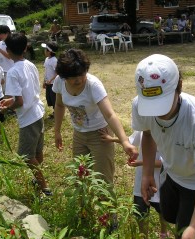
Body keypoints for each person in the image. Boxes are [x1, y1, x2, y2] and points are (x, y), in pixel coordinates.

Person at [132, 54, 195, 239]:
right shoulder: (139, 106)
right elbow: (148, 134)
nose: (157, 113)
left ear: (178, 87)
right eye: (152, 106)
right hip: (170, 172)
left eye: (162, 105)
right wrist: (148, 173)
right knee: (170, 216)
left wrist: (194, 228)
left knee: (186, 231)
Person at [52, 48, 137, 185]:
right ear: (64, 76)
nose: (79, 79)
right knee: (80, 176)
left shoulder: (93, 85)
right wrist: (57, 131)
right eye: (73, 77)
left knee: (103, 179)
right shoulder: (59, 82)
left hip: (100, 135)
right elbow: (59, 105)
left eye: (82, 74)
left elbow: (109, 114)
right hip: (78, 134)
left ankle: (106, 205)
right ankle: (86, 206)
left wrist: (124, 141)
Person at [0, 33, 51, 196]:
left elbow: (19, 102)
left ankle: (44, 187)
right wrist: (10, 102)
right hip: (37, 111)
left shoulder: (13, 72)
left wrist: (8, 107)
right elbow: (27, 92)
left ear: (7, 50)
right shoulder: (30, 64)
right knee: (36, 151)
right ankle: (38, 178)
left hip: (28, 117)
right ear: (25, 48)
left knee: (26, 156)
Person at [100, 129, 169, 239]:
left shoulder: (167, 134)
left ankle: (164, 232)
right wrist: (111, 139)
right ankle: (143, 235)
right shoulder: (144, 129)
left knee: (163, 211)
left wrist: (141, 162)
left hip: (160, 183)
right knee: (140, 211)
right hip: (141, 182)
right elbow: (129, 140)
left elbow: (165, 163)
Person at [0, 25, 14, 91]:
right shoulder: (0, 43)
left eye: (1, 34)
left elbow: (9, 56)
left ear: (7, 33)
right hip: (1, 70)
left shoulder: (11, 42)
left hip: (9, 69)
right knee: (3, 90)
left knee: (8, 91)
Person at [41, 42, 58, 119]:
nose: (44, 51)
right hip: (48, 83)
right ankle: (55, 112)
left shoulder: (54, 60)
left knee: (54, 98)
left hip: (53, 83)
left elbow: (58, 72)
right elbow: (46, 71)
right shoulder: (47, 59)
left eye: (45, 49)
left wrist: (51, 80)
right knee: (50, 98)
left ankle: (57, 113)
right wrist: (44, 81)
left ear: (49, 51)